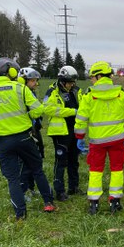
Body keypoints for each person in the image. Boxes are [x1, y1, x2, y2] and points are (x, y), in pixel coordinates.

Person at [0, 57, 55, 220]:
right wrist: (29, 115)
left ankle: (20, 214)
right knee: (37, 170)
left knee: (12, 178)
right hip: (25, 138)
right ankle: (48, 203)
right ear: (11, 71)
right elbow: (38, 110)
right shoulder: (20, 88)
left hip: (3, 141)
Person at [75, 61, 124, 215]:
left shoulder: (89, 95)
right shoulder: (121, 94)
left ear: (98, 76)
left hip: (97, 142)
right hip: (118, 140)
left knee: (95, 170)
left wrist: (79, 137)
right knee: (117, 169)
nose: (91, 80)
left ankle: (94, 203)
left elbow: (81, 119)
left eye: (92, 77)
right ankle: (115, 201)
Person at [44, 66, 83, 201]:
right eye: (70, 82)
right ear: (62, 81)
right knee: (61, 162)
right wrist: (72, 111)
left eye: (73, 82)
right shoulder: (52, 92)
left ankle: (74, 187)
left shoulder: (77, 90)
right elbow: (48, 109)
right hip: (60, 132)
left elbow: (83, 105)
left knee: (74, 160)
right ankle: (59, 191)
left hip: (75, 130)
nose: (72, 84)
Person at [17, 67, 44, 196]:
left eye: (36, 80)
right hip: (27, 131)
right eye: (33, 81)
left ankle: (32, 188)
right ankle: (25, 189)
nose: (35, 83)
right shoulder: (21, 93)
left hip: (35, 129)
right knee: (26, 163)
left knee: (36, 159)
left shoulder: (31, 92)